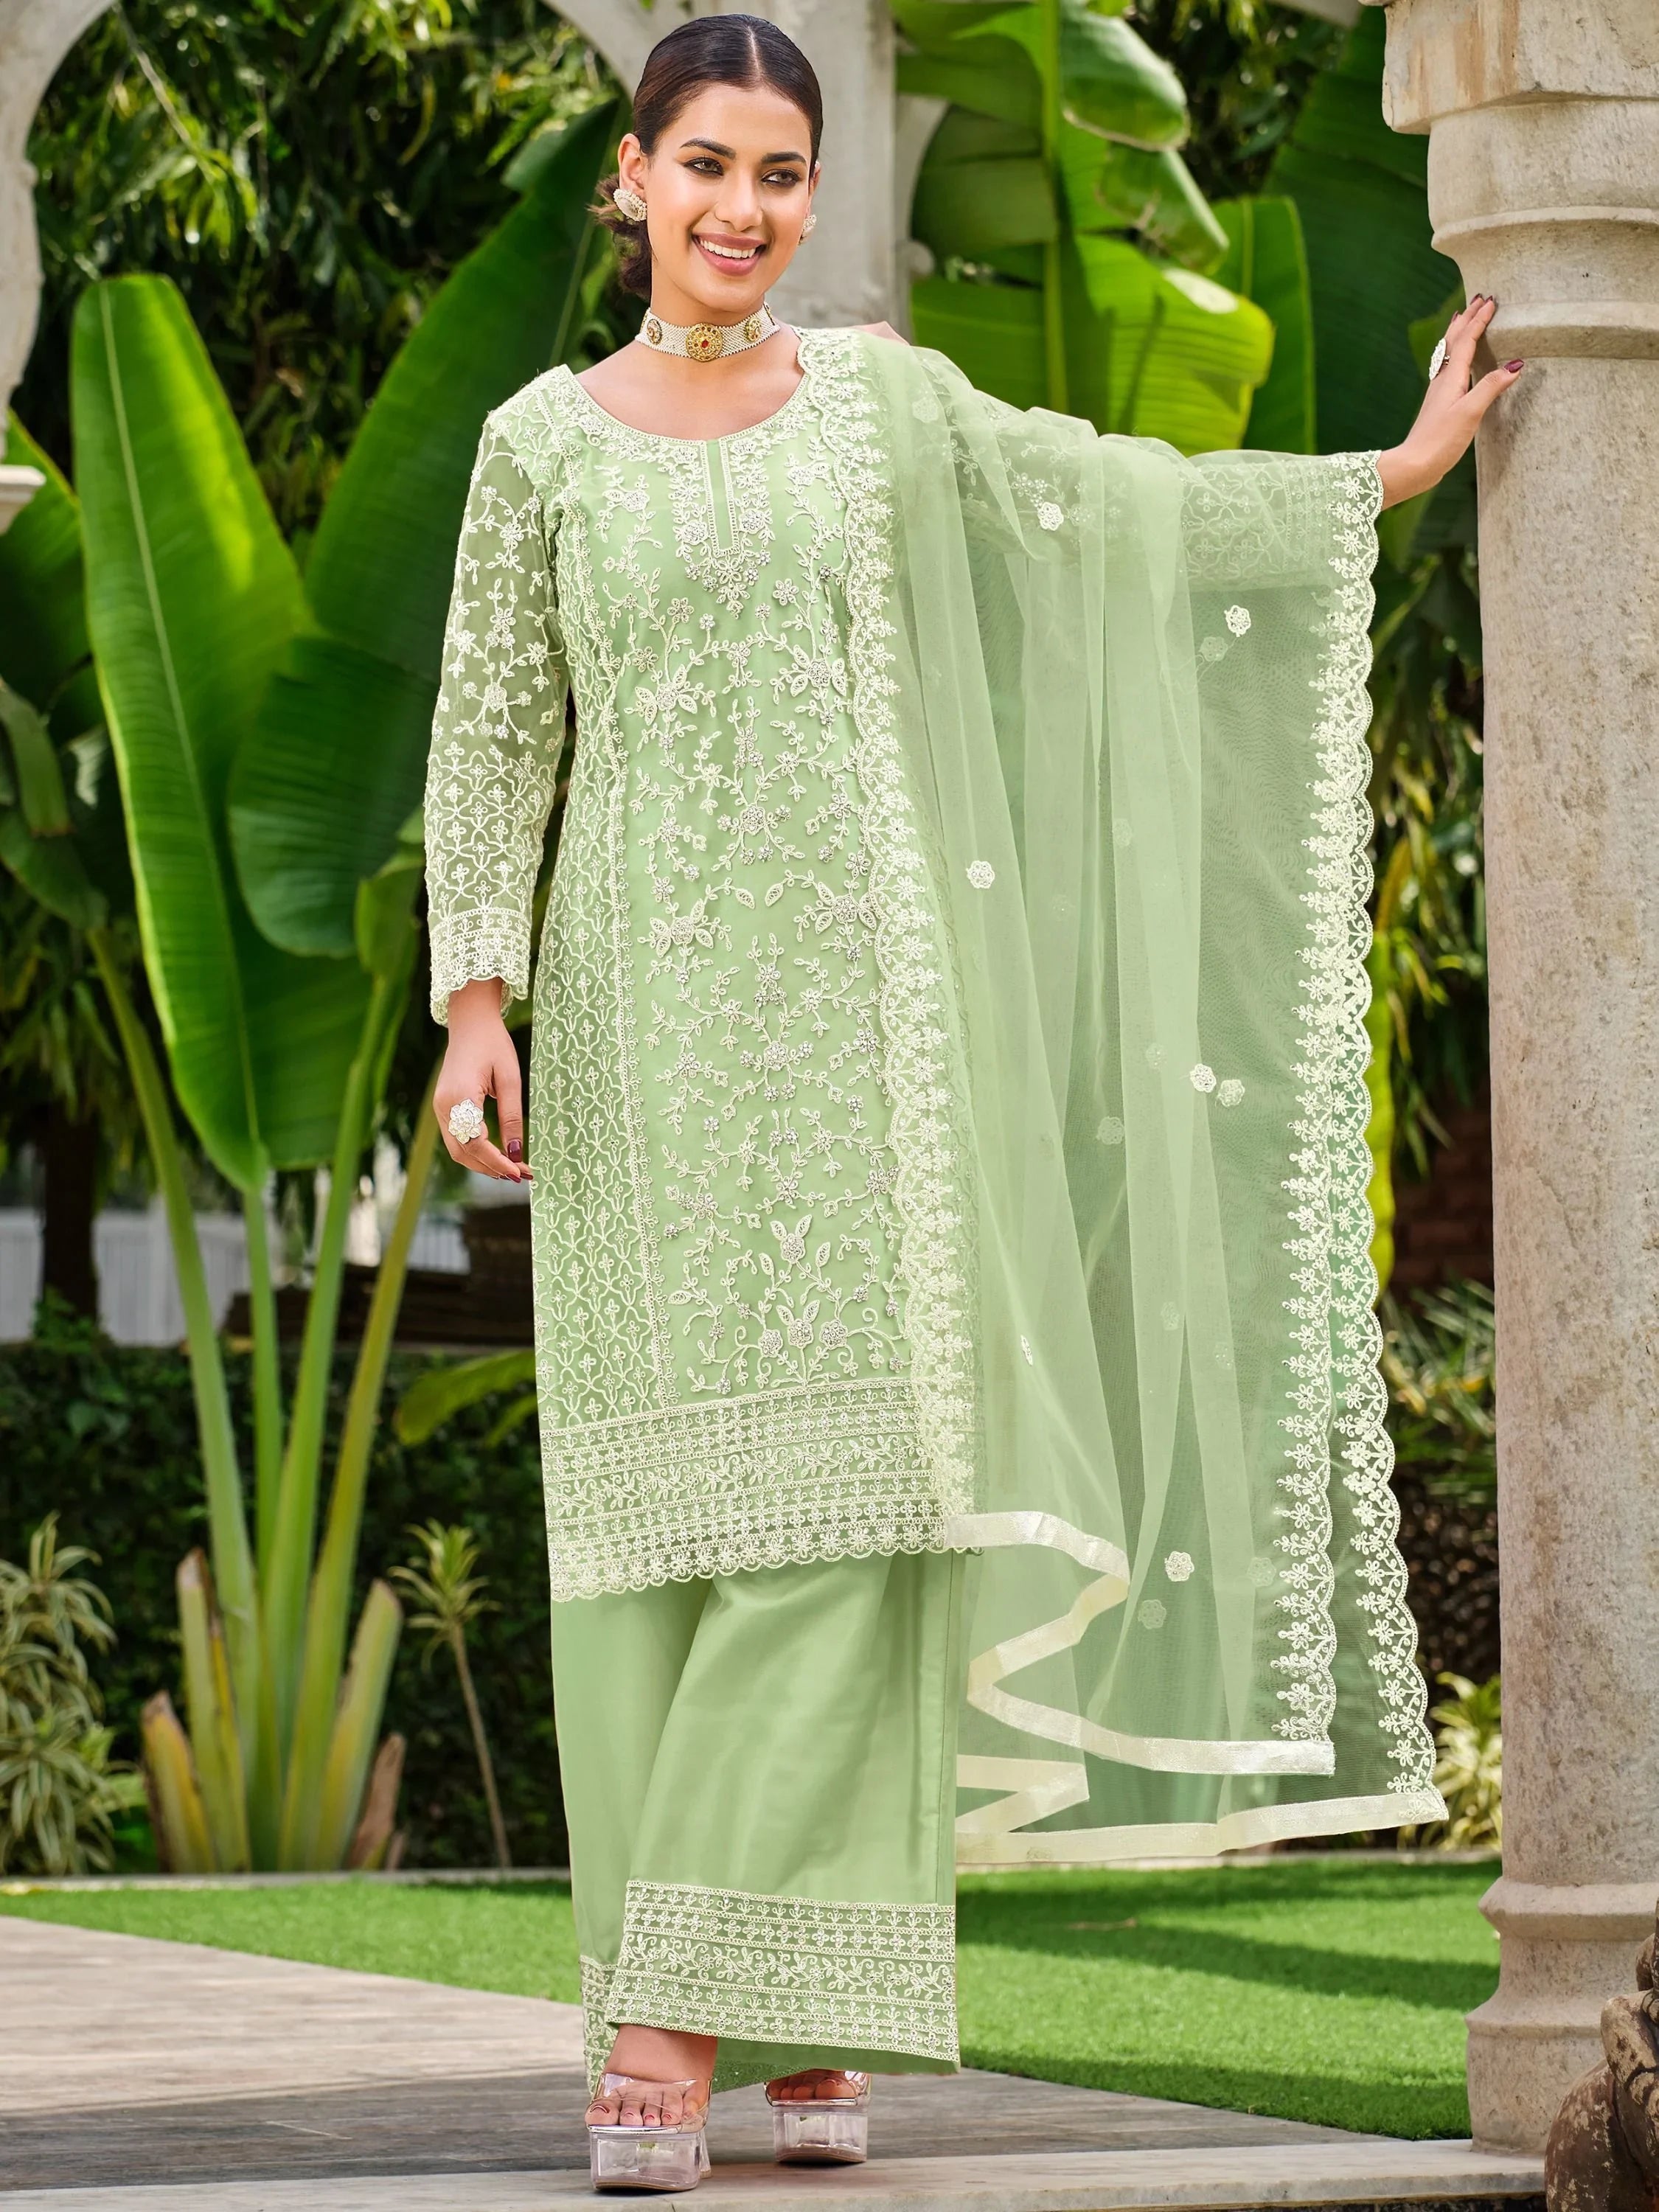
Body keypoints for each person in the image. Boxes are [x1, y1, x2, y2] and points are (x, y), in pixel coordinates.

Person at [421, 13, 1519, 2189]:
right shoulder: (538, 446)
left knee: (856, 1508)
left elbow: (1094, 502)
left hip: (859, 1028)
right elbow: (491, 734)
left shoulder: (881, 412)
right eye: (706, 164)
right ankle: (762, 2012)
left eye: (781, 173)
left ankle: (696, 2021)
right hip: (642, 1019)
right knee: (661, 1535)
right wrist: (477, 1001)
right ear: (630, 180)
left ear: (811, 200)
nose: (744, 206)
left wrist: (1368, 484)